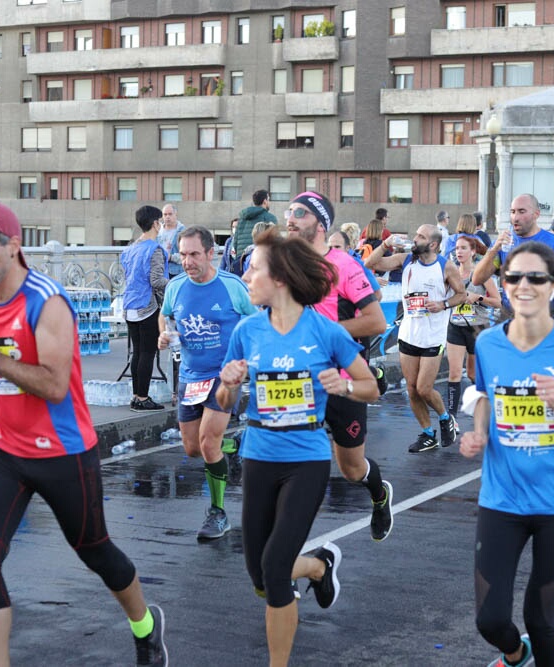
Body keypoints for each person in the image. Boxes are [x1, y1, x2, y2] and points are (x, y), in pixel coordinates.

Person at [0, 201, 167, 666]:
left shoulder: (48, 300)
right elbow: (1, 369)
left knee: (95, 551)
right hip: (4, 449)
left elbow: (53, 383)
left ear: (13, 245)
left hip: (63, 452)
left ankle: (146, 626)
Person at [216, 230, 379, 666]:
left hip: (305, 460)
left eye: (254, 268)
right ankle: (319, 565)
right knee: (260, 576)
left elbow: (371, 386)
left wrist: (343, 384)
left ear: (281, 278)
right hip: (259, 456)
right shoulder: (248, 331)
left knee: (273, 566)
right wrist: (229, 386)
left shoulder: (325, 332)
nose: (246, 275)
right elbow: (224, 400)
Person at [460, 241, 554, 667]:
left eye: (535, 277)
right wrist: (479, 433)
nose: (523, 285)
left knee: (539, 618)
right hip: (502, 499)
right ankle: (514, 654)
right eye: (513, 277)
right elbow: (486, 396)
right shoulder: (488, 343)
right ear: (504, 285)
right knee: (490, 620)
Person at [285, 191, 394, 541]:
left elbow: (376, 322)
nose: (290, 218)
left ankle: (379, 495)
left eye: (299, 213)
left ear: (319, 224)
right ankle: (287, 554)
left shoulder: (344, 265)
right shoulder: (285, 264)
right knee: (292, 469)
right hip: (299, 383)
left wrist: (323, 334)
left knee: (350, 469)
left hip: (344, 380)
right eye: (288, 211)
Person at [159, 226, 256, 540]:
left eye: (194, 254)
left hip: (224, 375)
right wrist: (166, 333)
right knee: (191, 449)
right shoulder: (175, 287)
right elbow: (167, 316)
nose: (187, 261)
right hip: (190, 376)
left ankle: (218, 513)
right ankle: (231, 445)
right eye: (183, 255)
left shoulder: (232, 286)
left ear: (210, 253)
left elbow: (255, 320)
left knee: (207, 443)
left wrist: (245, 361)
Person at [365, 223, 466, 452]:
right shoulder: (406, 259)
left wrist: (442, 304)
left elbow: (461, 294)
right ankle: (428, 434)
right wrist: (384, 244)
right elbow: (369, 265)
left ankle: (444, 417)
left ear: (432, 244)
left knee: (424, 388)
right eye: (416, 234)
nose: (415, 239)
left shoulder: (446, 267)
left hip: (433, 336)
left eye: (420, 236)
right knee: (411, 388)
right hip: (409, 333)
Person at [473, 194, 554, 315]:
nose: (515, 217)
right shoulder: (504, 242)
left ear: (536, 214)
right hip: (510, 315)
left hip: (543, 316)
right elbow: (477, 279)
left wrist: (531, 282)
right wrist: (493, 249)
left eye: (521, 211)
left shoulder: (552, 242)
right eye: (512, 212)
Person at [445, 236, 500, 419]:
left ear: (473, 251)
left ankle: (488, 411)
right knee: (454, 373)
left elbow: (498, 303)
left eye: (463, 248)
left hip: (477, 328)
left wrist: (478, 298)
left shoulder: (481, 275)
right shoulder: (450, 273)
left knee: (473, 374)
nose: (458, 252)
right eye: (456, 248)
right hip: (456, 326)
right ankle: (451, 419)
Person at [120, 205, 168, 411]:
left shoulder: (129, 249)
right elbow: (156, 280)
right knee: (148, 353)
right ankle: (142, 398)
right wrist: (176, 283)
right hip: (147, 306)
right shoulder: (154, 249)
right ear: (156, 223)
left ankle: (135, 396)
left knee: (137, 352)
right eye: (161, 222)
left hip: (129, 304)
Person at [232, 189, 277, 275]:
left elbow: (235, 242)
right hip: (259, 260)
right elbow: (274, 242)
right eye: (269, 199)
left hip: (241, 261)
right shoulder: (269, 218)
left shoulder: (242, 219)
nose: (269, 202)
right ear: (265, 201)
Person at [158, 204, 186, 277]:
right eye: (165, 214)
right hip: (159, 271)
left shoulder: (183, 232)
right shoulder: (158, 231)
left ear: (175, 214)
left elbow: (187, 255)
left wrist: (170, 257)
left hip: (176, 273)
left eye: (170, 214)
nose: (167, 217)